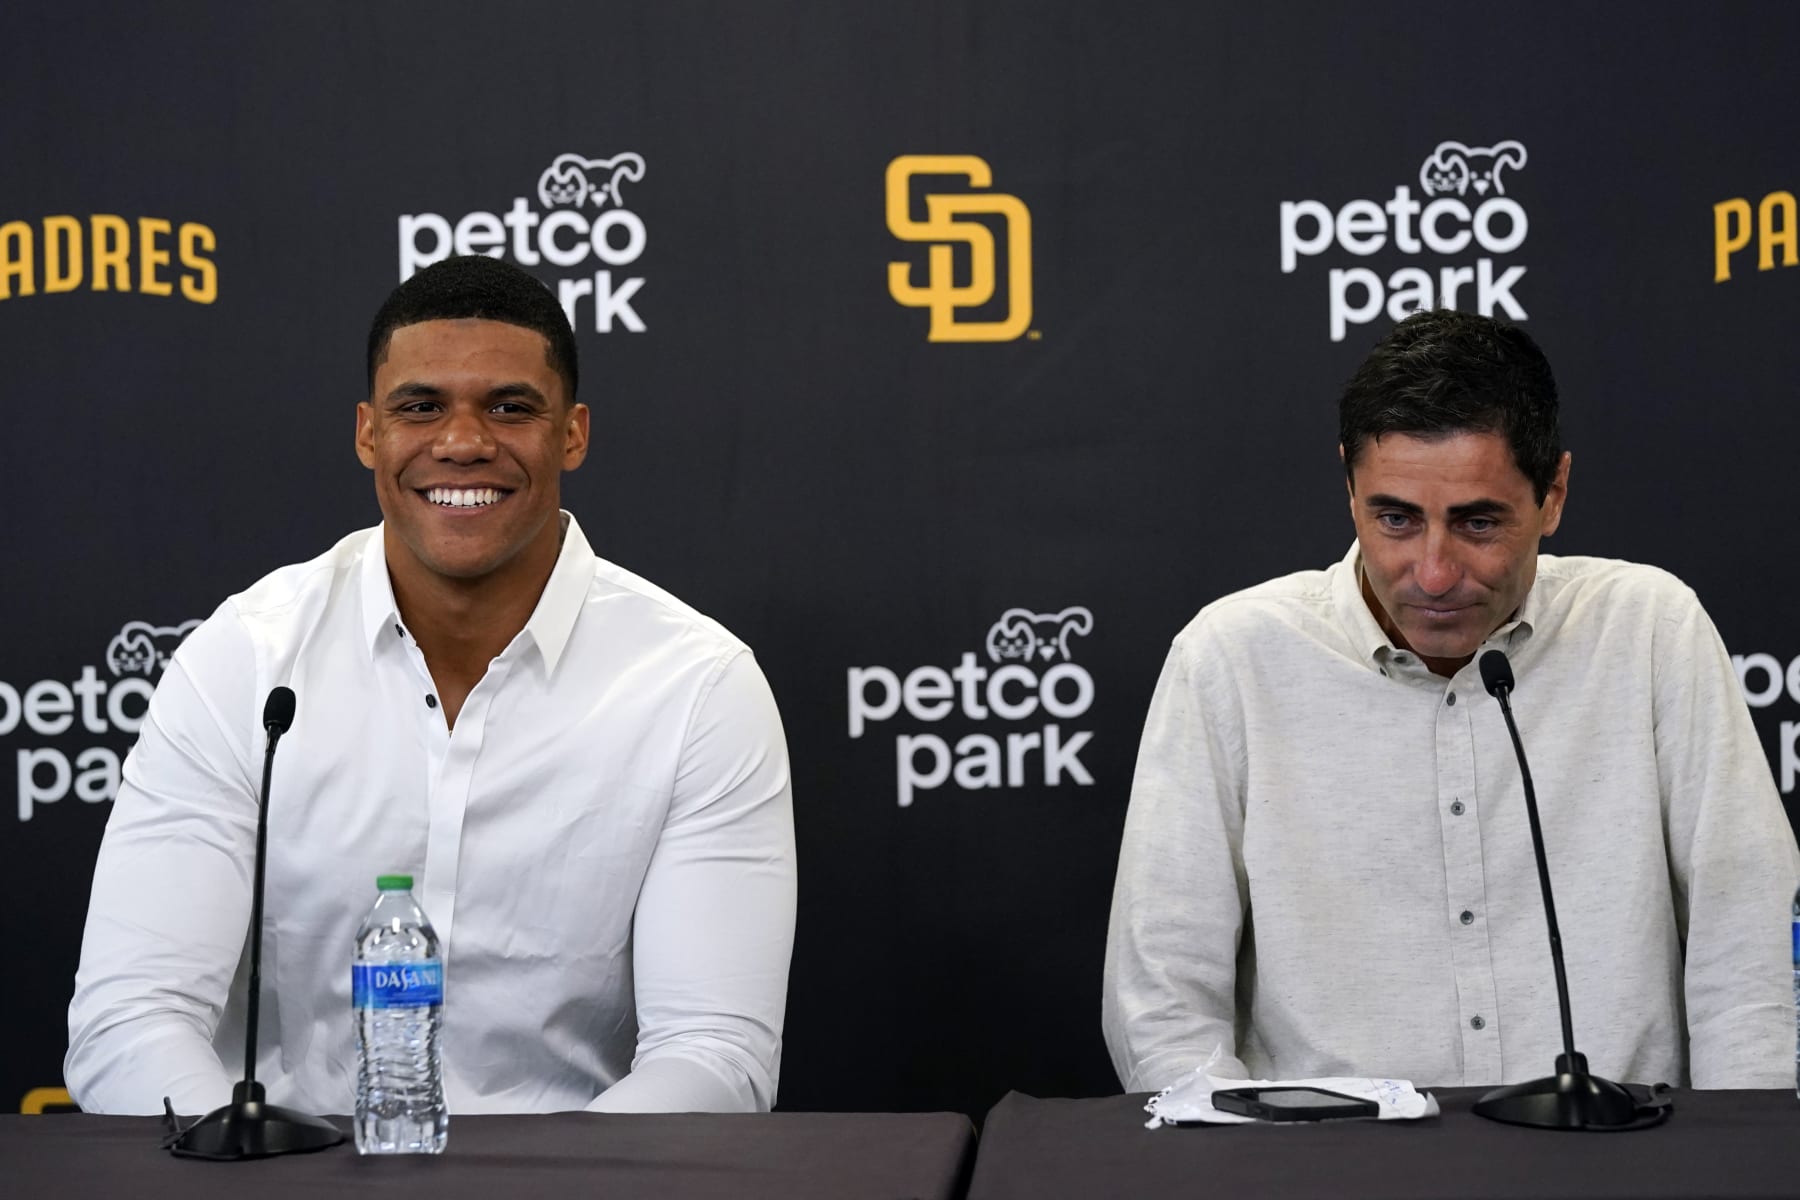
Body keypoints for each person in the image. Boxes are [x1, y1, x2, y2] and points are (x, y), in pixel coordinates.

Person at [66, 255, 796, 1115]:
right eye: (421, 406)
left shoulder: (697, 687)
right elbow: (131, 1019)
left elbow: (716, 1054)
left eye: (509, 406)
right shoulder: (246, 659)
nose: (461, 441)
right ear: (370, 432)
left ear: (573, 433)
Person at [1102, 309, 1798, 1092]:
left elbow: (1752, 952)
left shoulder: (1649, 629)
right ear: (1349, 487)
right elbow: (1161, 1003)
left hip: (1620, 1155)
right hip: (1323, 1170)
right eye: (1394, 518)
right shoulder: (1230, 658)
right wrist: (1249, 1162)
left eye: (1477, 523)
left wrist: (1747, 1155)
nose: (1432, 573)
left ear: (1555, 493)